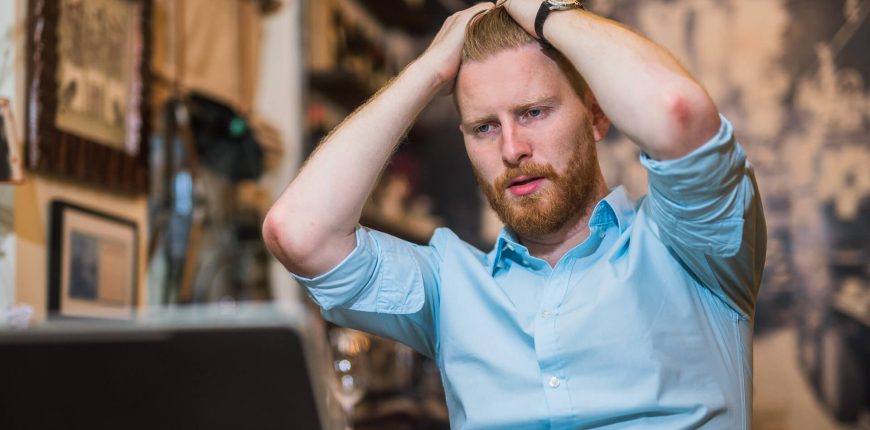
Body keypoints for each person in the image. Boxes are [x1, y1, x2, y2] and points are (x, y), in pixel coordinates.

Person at [263, 1, 766, 428]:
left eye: (533, 112)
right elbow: (299, 233)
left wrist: (550, 14)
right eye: (483, 127)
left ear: (595, 115)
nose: (511, 148)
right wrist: (426, 71)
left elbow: (677, 112)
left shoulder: (691, 247)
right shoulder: (450, 288)